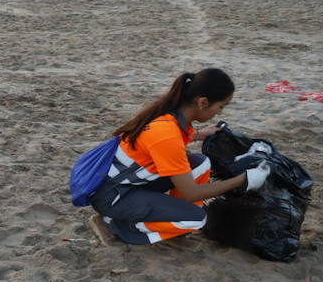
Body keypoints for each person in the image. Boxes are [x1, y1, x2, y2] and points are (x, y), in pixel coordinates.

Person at [89, 69, 269, 245]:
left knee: (201, 163)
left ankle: (170, 223)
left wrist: (199, 134)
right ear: (203, 102)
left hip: (126, 184)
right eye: (220, 106)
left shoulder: (170, 116)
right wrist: (244, 180)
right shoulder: (166, 134)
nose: (219, 113)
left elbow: (170, 144)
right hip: (113, 196)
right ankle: (112, 224)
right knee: (196, 219)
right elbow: (191, 193)